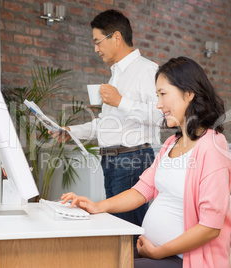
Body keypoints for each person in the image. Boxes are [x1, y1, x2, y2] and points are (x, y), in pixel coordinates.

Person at [61, 57, 231, 268]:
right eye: (157, 96)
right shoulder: (172, 143)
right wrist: (96, 206)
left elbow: (210, 227)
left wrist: (159, 252)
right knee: (94, 258)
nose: (159, 104)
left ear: (189, 94)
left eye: (163, 94)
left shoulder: (213, 146)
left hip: (186, 260)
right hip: (158, 253)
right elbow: (141, 190)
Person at [51, 9, 162, 227]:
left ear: (117, 37)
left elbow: (161, 116)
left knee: (126, 231)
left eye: (98, 41)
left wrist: (120, 101)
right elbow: (107, 124)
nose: (96, 49)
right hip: (112, 161)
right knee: (115, 228)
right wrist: (72, 132)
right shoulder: (116, 74)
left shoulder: (147, 70)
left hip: (132, 160)